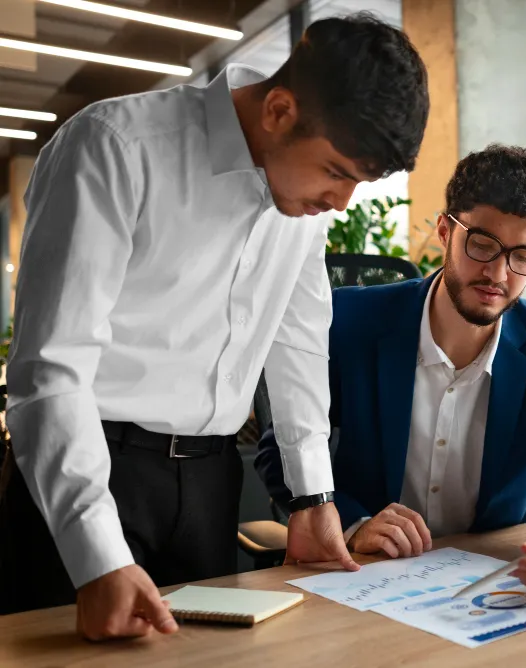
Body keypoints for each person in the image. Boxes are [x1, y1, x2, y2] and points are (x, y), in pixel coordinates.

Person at [0, 13, 429, 640]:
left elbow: (297, 340)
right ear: (279, 110)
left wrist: (311, 499)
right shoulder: (115, 145)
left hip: (209, 481)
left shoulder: (300, 198)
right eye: (337, 171)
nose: (341, 202)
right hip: (91, 470)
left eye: (356, 183)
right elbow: (49, 372)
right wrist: (99, 554)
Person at [256, 144, 526, 593]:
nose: (499, 274)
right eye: (483, 244)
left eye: (523, 256)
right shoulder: (349, 322)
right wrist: (355, 523)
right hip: (369, 578)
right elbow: (279, 451)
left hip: (492, 585)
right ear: (445, 231)